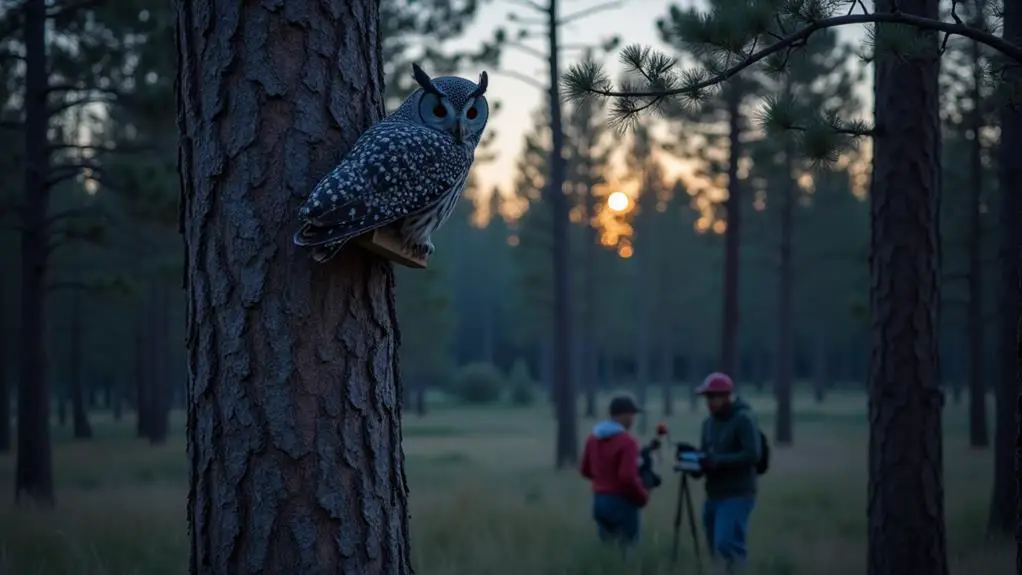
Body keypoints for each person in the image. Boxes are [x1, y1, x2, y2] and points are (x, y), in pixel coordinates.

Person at [694, 372, 761, 572]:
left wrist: (718, 461)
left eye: (714, 397)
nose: (710, 402)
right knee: (715, 548)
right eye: (707, 397)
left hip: (737, 493)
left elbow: (752, 454)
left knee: (727, 544)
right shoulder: (708, 424)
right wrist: (696, 464)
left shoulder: (743, 419)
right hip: (713, 493)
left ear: (727, 396)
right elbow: (706, 454)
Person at [579, 395, 649, 546]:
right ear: (622, 415)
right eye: (631, 414)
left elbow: (585, 470)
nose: (632, 419)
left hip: (599, 501)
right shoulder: (627, 441)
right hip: (621, 502)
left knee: (608, 549)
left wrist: (603, 478)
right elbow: (627, 477)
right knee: (628, 550)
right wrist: (642, 496)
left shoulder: (593, 438)